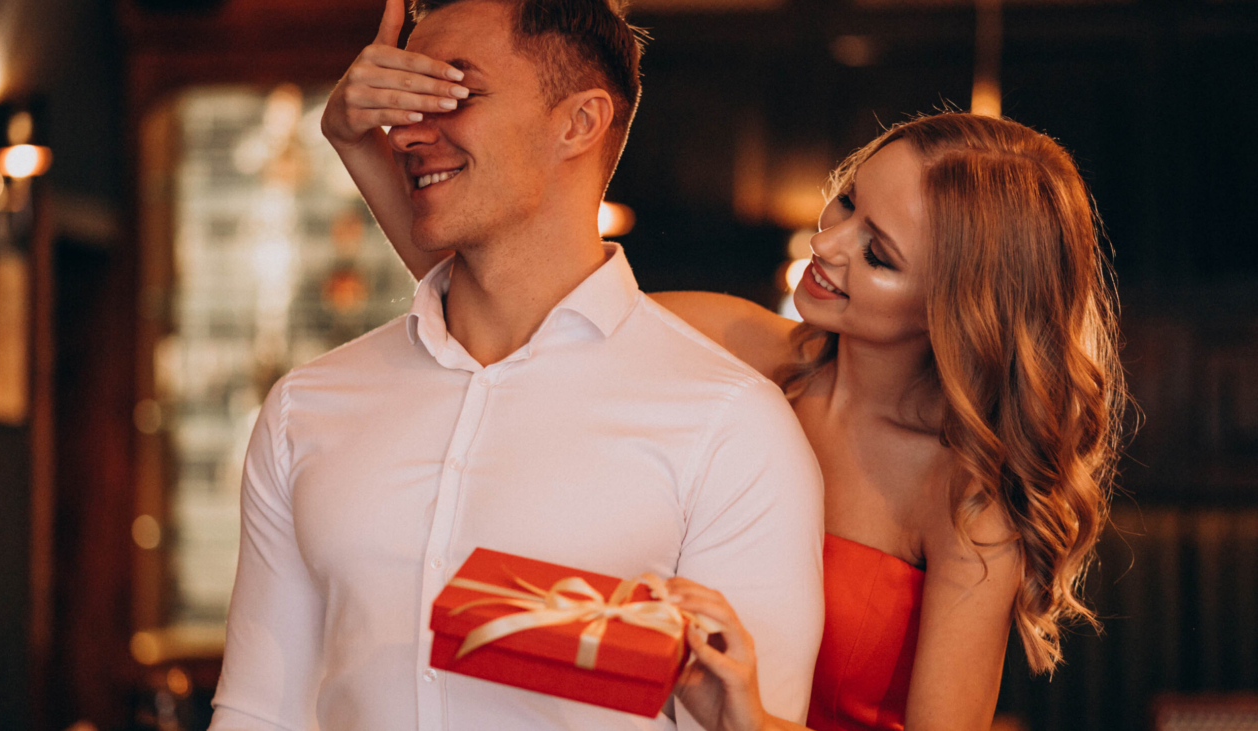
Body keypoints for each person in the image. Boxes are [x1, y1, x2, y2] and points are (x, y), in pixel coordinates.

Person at [341, 46, 1127, 726]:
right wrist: (356, 141)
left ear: (958, 307)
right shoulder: (743, 350)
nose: (828, 242)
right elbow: (499, 303)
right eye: (848, 201)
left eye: (879, 254)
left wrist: (751, 719)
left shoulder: (969, 501)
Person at [208, 0, 826, 729]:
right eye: (404, 96)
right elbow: (258, 712)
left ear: (580, 122)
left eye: (455, 93)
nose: (406, 131)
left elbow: (748, 718)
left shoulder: (730, 425)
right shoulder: (305, 407)